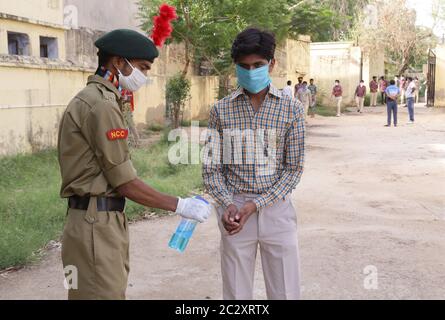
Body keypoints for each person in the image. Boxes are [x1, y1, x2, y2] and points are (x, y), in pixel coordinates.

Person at [57, 29, 211, 300]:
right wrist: (180, 205)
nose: (144, 76)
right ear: (118, 62)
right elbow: (124, 182)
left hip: (93, 220)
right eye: (142, 68)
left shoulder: (96, 99)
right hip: (96, 224)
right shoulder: (101, 105)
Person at [202, 28, 305, 300]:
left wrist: (255, 205)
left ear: (272, 64)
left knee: (285, 290)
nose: (251, 71)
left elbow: (293, 169)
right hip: (234, 212)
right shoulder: (220, 111)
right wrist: (229, 204)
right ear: (235, 67)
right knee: (236, 293)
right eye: (244, 66)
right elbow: (211, 170)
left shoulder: (291, 109)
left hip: (277, 209)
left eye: (258, 65)